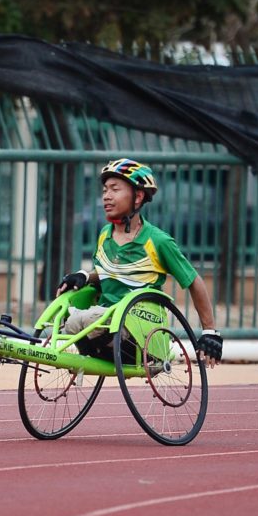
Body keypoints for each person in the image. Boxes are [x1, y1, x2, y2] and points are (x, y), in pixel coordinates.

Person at [56, 158, 223, 368]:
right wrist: (85, 276)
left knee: (84, 320)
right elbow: (111, 272)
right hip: (103, 326)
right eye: (105, 189)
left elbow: (193, 281)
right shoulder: (104, 235)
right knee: (63, 317)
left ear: (138, 197)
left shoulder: (158, 241)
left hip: (137, 334)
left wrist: (209, 331)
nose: (106, 196)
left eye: (115, 189)